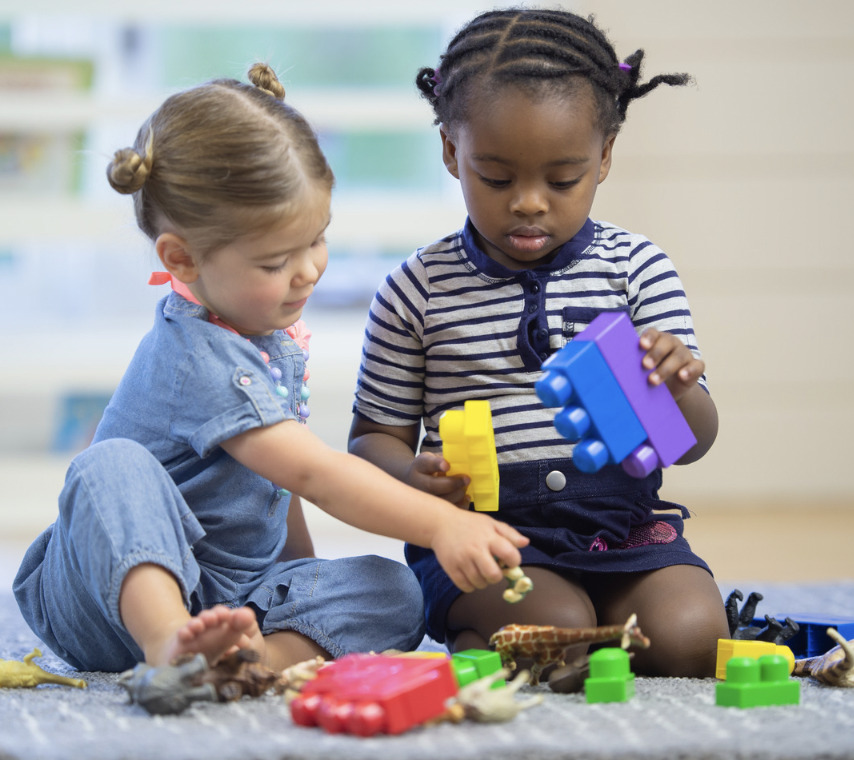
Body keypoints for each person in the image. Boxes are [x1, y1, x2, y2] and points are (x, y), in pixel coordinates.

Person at [13, 63, 527, 674]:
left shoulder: (265, 337)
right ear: (183, 258)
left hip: (228, 595)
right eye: (278, 260)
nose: (310, 270)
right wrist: (441, 523)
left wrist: (299, 586)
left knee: (397, 590)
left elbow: (279, 487)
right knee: (110, 464)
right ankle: (170, 646)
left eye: (318, 239)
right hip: (105, 598)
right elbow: (315, 473)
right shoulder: (196, 355)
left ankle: (253, 659)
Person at [348, 9, 729, 678]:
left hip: (626, 527)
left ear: (604, 157)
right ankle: (491, 630)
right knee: (559, 635)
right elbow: (371, 440)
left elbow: (692, 443)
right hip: (485, 537)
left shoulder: (637, 268)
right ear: (449, 151)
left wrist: (678, 390)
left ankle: (586, 625)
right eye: (496, 178)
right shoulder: (416, 289)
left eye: (562, 180)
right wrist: (414, 479)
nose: (528, 203)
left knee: (692, 639)